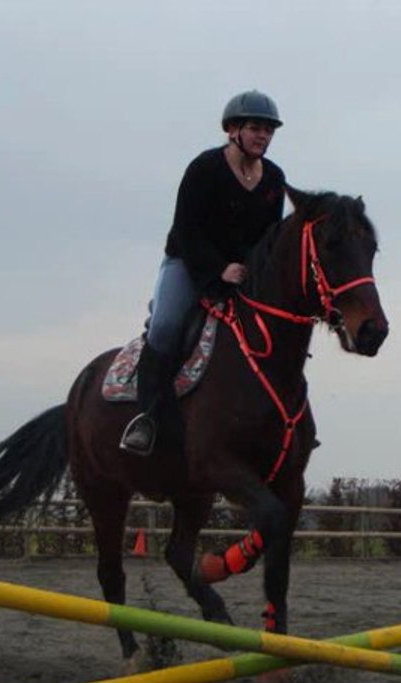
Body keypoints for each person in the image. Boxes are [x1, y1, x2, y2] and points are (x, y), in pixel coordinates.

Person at [120, 90, 287, 456]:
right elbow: (186, 229)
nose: (263, 136)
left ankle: (281, 417)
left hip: (242, 272)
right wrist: (217, 269)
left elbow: (269, 238)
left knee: (271, 330)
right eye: (256, 128)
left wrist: (257, 273)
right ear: (233, 130)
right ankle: (146, 419)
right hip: (189, 263)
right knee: (165, 326)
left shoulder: (274, 178)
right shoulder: (205, 168)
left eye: (268, 130)